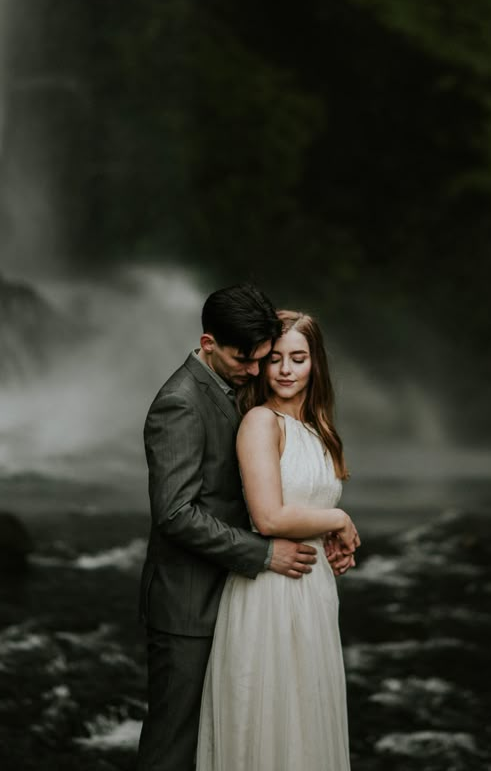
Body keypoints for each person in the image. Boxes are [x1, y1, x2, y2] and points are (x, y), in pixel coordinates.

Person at [136, 284, 322, 771]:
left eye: (264, 358)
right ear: (207, 343)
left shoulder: (237, 386)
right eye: (247, 359)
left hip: (240, 602)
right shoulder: (178, 403)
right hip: (188, 604)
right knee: (174, 745)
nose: (257, 370)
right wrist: (264, 553)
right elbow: (175, 513)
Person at [196, 309, 360, 771]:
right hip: (269, 591)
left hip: (313, 590)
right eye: (276, 359)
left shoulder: (320, 428)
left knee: (307, 721)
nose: (287, 370)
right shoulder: (260, 424)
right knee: (269, 721)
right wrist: (338, 518)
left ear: (316, 363)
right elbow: (268, 517)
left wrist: (335, 534)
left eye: (299, 358)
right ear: (262, 364)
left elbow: (309, 504)